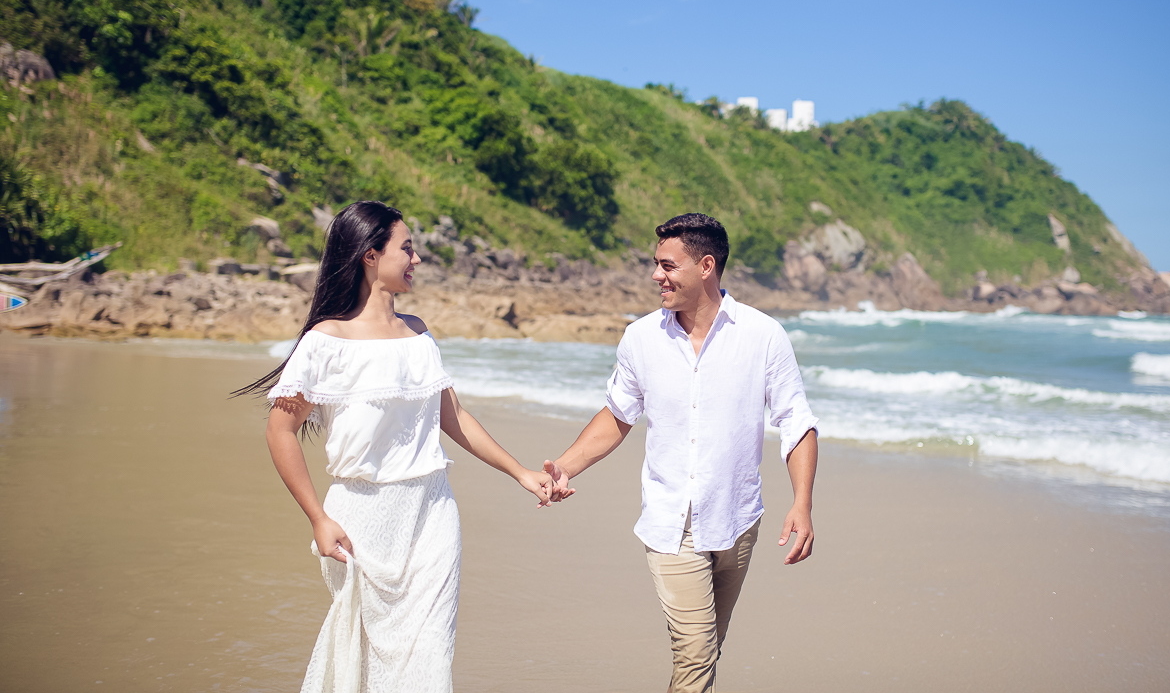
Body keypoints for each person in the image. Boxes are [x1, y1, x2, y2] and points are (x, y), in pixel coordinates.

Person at [236, 201, 555, 693]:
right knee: (359, 656)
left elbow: (453, 416)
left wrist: (520, 472)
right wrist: (318, 518)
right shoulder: (326, 341)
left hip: (431, 512)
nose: (416, 258)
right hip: (359, 519)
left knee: (429, 656)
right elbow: (280, 431)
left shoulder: (419, 333)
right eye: (406, 248)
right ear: (369, 255)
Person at [544, 212, 819, 693]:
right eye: (656, 265)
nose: (656, 276)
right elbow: (618, 416)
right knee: (695, 656)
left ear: (706, 265)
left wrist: (802, 503)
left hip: (737, 521)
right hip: (672, 524)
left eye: (667, 266)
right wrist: (563, 467)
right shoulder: (641, 338)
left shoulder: (763, 335)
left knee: (706, 652)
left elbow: (796, 422)